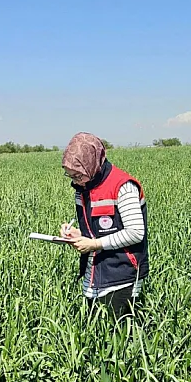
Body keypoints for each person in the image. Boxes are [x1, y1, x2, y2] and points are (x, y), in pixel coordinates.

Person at [59, 132, 149, 321]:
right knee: (96, 332)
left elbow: (135, 232)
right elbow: (94, 230)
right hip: (95, 272)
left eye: (78, 175)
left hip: (122, 273)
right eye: (70, 175)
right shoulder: (83, 189)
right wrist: (77, 234)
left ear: (92, 164)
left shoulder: (123, 186)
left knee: (120, 334)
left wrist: (95, 244)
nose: (74, 180)